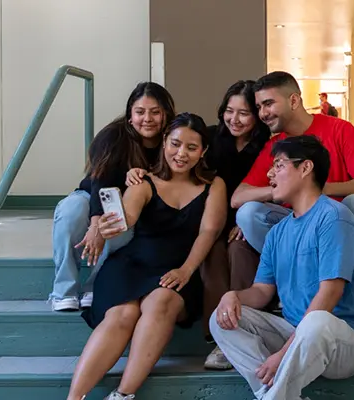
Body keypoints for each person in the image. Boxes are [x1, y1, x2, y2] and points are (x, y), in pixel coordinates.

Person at [68, 113, 226, 400]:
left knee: (161, 301)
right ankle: (74, 398)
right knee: (123, 313)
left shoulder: (213, 185)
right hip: (130, 267)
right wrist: (108, 225)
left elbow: (208, 232)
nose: (181, 154)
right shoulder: (142, 182)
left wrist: (186, 270)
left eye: (191, 147)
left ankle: (123, 395)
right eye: (175, 144)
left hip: (179, 270)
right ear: (164, 143)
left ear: (203, 151)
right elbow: (127, 217)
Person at [210, 135, 354, 399]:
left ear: (306, 168)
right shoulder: (278, 232)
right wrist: (233, 296)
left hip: (343, 342)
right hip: (296, 335)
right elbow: (262, 291)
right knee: (222, 319)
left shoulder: (334, 218)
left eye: (279, 165)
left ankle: (276, 391)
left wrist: (283, 355)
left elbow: (329, 296)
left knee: (316, 323)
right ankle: (273, 393)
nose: (269, 173)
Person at [51, 82, 176, 312]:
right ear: (130, 116)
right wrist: (96, 222)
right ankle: (64, 291)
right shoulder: (113, 136)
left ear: (166, 114)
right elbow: (101, 181)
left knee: (121, 223)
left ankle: (94, 286)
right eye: (140, 112)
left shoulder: (172, 142)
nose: (147, 119)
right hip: (91, 196)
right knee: (72, 211)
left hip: (130, 208)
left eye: (155, 112)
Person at [232, 71, 354, 253]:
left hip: (338, 221)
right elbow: (238, 197)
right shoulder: (273, 146)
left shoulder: (339, 129)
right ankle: (291, 272)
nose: (263, 114)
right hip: (295, 228)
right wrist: (283, 189)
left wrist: (320, 189)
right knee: (248, 213)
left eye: (268, 104)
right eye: (259, 107)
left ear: (294, 101)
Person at [199, 80, 272, 370]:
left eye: (244, 113)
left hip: (246, 219)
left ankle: (236, 332)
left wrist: (245, 219)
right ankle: (216, 332)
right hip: (212, 217)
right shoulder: (211, 139)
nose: (234, 119)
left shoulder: (268, 145)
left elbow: (274, 189)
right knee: (212, 252)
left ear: (257, 116)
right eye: (229, 111)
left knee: (239, 250)